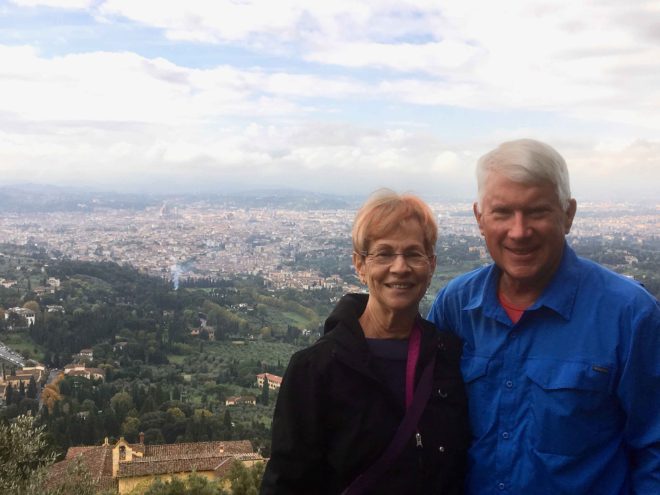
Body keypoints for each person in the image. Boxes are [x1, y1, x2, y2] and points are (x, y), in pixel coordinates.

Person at [428, 138, 660, 494]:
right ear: (479, 218)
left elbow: (653, 449)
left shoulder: (629, 315)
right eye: (502, 212)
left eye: (537, 211)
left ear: (568, 215)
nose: (519, 232)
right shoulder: (456, 307)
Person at [261, 189, 470, 494]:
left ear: (431, 264)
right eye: (384, 253)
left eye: (413, 253)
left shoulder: (448, 358)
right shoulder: (315, 369)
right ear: (360, 265)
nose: (400, 267)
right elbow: (287, 485)